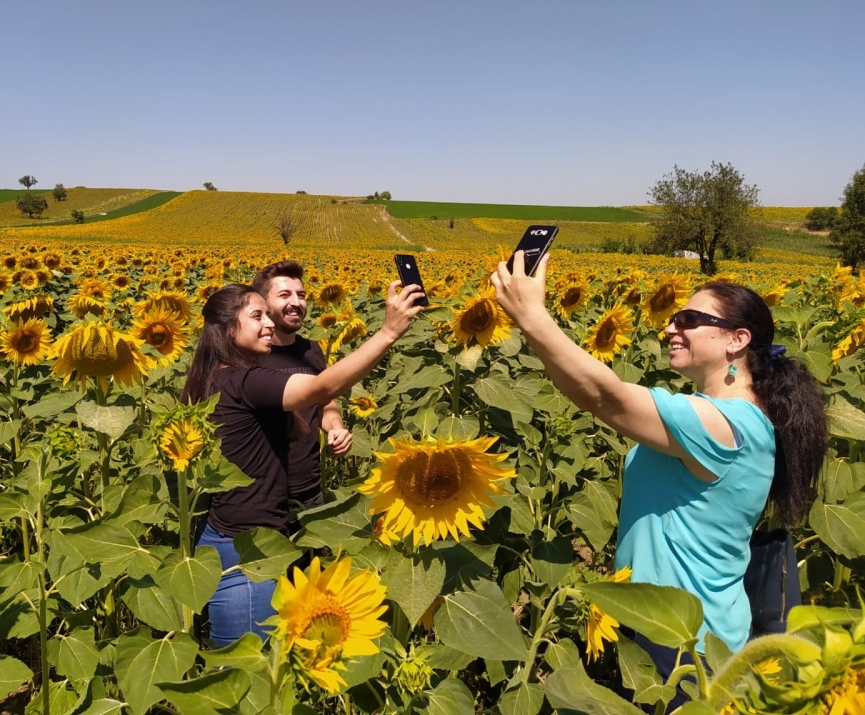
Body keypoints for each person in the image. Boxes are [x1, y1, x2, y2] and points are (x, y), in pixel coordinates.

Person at [491, 251, 826, 703]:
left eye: (688, 319)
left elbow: (603, 397)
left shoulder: (727, 424)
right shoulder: (722, 416)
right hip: (670, 625)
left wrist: (532, 315)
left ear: (737, 339)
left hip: (687, 641)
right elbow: (579, 387)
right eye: (673, 318)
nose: (670, 328)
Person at [181, 280, 424, 647]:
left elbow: (314, 406)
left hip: (236, 536)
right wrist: (388, 332)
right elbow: (321, 389)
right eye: (257, 316)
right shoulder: (242, 382)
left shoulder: (212, 378)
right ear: (229, 328)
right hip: (247, 553)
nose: (269, 324)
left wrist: (333, 423)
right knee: (250, 682)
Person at [252, 260, 351, 514]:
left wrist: (336, 428)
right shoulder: (247, 355)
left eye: (301, 295)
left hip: (309, 490)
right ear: (262, 304)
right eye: (284, 294)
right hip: (258, 492)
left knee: (312, 555)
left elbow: (325, 401)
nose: (296, 302)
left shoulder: (311, 350)